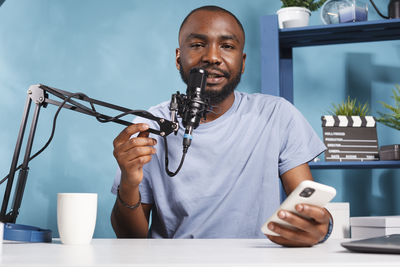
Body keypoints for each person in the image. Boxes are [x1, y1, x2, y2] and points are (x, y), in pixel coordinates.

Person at [111, 5, 331, 247]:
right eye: (197, 45)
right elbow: (129, 238)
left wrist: (321, 227)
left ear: (243, 61)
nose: (212, 57)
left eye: (227, 46)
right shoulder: (151, 125)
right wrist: (128, 183)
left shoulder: (276, 115)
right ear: (178, 58)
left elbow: (308, 207)